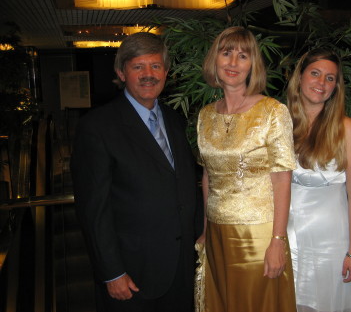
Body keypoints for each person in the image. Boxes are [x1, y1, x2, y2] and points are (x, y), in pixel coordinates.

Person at [70, 32, 198, 312]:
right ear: (121, 72)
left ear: (166, 72)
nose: (148, 74)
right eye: (138, 67)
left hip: (180, 267)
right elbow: (93, 210)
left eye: (155, 66)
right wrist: (112, 272)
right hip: (132, 274)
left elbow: (183, 186)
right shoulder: (97, 127)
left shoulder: (176, 120)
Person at [196, 26, 297, 312]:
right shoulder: (205, 115)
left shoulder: (272, 111)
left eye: (243, 56)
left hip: (257, 235)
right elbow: (208, 176)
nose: (233, 63)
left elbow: (282, 181)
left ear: (253, 64)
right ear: (214, 60)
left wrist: (278, 241)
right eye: (226, 53)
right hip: (216, 232)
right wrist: (205, 229)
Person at [286, 48, 351, 312]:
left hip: (330, 243)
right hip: (285, 239)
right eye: (315, 73)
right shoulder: (279, 122)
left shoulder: (347, 129)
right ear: (300, 77)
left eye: (330, 78)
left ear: (336, 87)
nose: (321, 83)